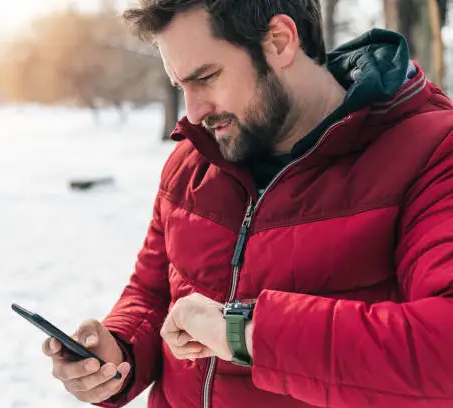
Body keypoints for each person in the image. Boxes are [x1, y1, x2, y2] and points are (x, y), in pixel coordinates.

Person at [42, 0, 453, 407]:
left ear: (279, 41)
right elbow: (153, 292)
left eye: (207, 76)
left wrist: (243, 332)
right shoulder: (192, 161)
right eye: (180, 86)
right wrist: (117, 352)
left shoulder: (433, 151)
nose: (194, 111)